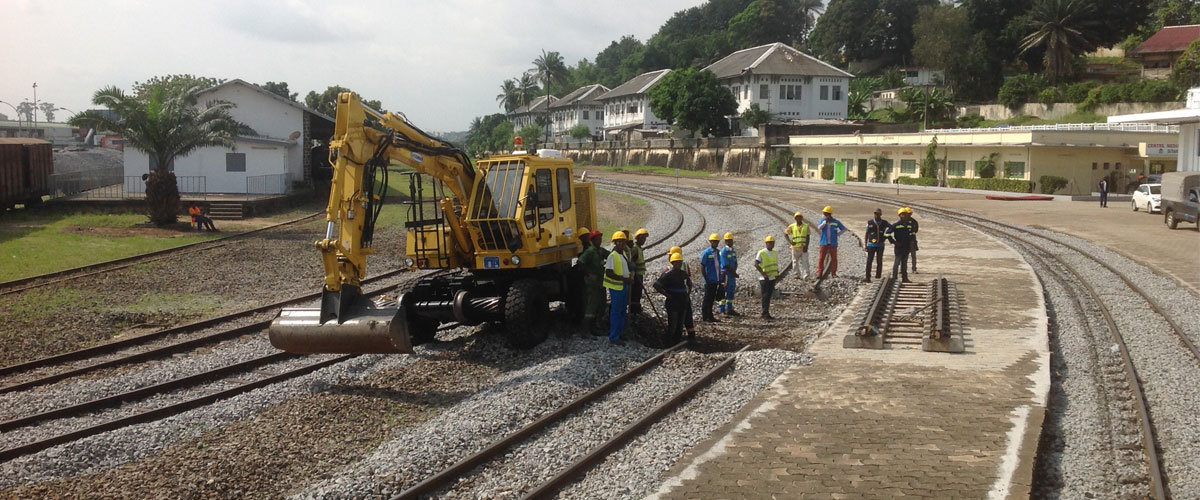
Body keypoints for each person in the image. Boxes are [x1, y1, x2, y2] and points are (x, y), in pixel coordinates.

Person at [653, 252, 692, 344]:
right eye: (675, 262)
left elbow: (689, 284)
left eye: (679, 262)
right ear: (672, 263)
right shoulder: (667, 274)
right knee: (673, 324)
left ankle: (677, 341)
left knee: (680, 324)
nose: (677, 264)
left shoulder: (683, 274)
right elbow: (656, 285)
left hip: (682, 302)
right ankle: (669, 342)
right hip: (673, 302)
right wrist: (667, 295)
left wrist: (687, 294)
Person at [603, 231, 634, 343]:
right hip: (616, 288)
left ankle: (620, 334)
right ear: (615, 243)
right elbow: (609, 272)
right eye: (618, 241)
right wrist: (623, 279)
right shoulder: (612, 256)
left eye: (622, 241)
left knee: (621, 311)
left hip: (623, 287)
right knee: (616, 313)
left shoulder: (623, 254)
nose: (620, 243)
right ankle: (614, 337)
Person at [579, 230, 607, 333]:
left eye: (600, 238)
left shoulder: (600, 251)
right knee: (591, 305)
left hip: (600, 281)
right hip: (592, 283)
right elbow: (580, 263)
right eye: (597, 239)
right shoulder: (590, 251)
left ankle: (594, 327)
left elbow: (611, 255)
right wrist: (589, 275)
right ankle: (585, 329)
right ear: (592, 240)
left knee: (599, 304)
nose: (599, 240)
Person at [667, 245, 697, 340]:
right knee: (687, 316)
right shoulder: (685, 264)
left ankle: (674, 337)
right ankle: (690, 334)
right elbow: (689, 280)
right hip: (684, 294)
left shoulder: (671, 267)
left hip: (677, 296)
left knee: (678, 317)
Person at [885, 208, 915, 282]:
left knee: (904, 264)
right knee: (897, 263)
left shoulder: (909, 225)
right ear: (899, 216)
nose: (904, 216)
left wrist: (912, 243)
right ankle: (894, 278)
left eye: (905, 214)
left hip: (906, 247)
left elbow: (912, 234)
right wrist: (894, 242)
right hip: (899, 247)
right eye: (902, 214)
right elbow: (887, 233)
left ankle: (905, 278)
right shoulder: (896, 225)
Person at [816, 206, 846, 278]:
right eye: (824, 214)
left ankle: (833, 273)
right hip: (824, 243)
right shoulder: (822, 221)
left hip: (833, 243)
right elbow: (819, 228)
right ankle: (820, 272)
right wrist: (824, 223)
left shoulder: (836, 222)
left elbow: (844, 229)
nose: (825, 215)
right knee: (821, 258)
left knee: (834, 259)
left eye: (826, 214)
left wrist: (838, 234)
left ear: (829, 214)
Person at [754, 235, 780, 320]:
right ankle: (765, 312)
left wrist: (777, 272)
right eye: (769, 243)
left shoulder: (774, 252)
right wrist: (763, 274)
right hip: (764, 278)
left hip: (772, 277)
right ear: (766, 243)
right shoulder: (761, 252)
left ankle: (766, 312)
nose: (771, 245)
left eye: (772, 243)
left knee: (768, 295)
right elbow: (756, 264)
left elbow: (774, 263)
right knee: (765, 295)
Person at [699, 233, 723, 323]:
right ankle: (705, 316)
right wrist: (706, 278)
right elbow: (702, 266)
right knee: (707, 298)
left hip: (716, 279)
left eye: (717, 241)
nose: (715, 243)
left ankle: (710, 315)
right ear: (710, 242)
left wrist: (721, 279)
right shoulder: (706, 253)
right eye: (714, 241)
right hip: (709, 280)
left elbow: (720, 265)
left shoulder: (719, 252)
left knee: (712, 298)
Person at [864, 208, 890, 283]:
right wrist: (865, 244)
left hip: (880, 245)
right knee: (869, 261)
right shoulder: (870, 222)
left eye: (878, 213)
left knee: (879, 261)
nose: (876, 215)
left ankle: (878, 277)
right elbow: (866, 233)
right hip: (871, 245)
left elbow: (891, 227)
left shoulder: (884, 223)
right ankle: (867, 277)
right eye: (875, 213)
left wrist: (886, 236)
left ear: (880, 214)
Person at [718, 232, 741, 316]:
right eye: (727, 241)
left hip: (731, 274)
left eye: (730, 240)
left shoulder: (733, 251)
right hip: (726, 274)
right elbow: (725, 265)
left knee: (731, 291)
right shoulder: (723, 251)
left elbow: (735, 262)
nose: (729, 242)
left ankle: (729, 308)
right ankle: (722, 309)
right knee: (724, 292)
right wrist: (734, 273)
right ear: (725, 241)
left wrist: (734, 271)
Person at [629, 228, 649, 315]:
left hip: (639, 275)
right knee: (635, 293)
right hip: (636, 276)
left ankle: (636, 309)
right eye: (642, 238)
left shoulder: (639, 248)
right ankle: (634, 310)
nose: (644, 240)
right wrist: (633, 274)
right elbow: (631, 261)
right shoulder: (635, 249)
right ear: (638, 238)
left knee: (638, 293)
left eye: (645, 238)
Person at [786, 212, 810, 281]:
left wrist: (806, 246)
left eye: (800, 217)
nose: (798, 218)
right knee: (795, 261)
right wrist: (790, 241)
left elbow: (808, 237)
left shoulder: (806, 226)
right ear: (795, 218)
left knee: (805, 261)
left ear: (802, 218)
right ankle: (796, 274)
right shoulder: (792, 226)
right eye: (797, 217)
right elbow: (785, 233)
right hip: (795, 247)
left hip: (803, 247)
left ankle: (806, 276)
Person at [907, 207, 920, 274]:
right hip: (904, 241)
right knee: (903, 256)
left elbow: (916, 230)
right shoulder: (902, 221)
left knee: (913, 255)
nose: (909, 215)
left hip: (912, 240)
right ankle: (902, 269)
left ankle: (914, 268)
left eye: (910, 213)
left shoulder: (914, 222)